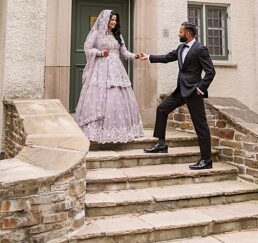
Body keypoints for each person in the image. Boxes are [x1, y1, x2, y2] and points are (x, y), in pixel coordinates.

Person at [136, 22, 216, 170]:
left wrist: (200, 88)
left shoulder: (200, 49)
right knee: (162, 109)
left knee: (201, 126)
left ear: (188, 33)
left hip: (193, 91)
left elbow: (210, 71)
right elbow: (167, 57)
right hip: (181, 90)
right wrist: (148, 57)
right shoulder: (180, 48)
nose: (178, 34)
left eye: (180, 32)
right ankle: (161, 144)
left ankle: (206, 160)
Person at [73, 9, 145, 143]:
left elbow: (124, 52)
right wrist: (100, 53)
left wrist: (135, 55)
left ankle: (119, 131)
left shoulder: (118, 35)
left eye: (115, 20)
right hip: (100, 71)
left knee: (117, 97)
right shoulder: (97, 34)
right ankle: (96, 131)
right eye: (112, 19)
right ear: (105, 20)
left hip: (117, 71)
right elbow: (87, 49)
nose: (114, 22)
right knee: (100, 97)